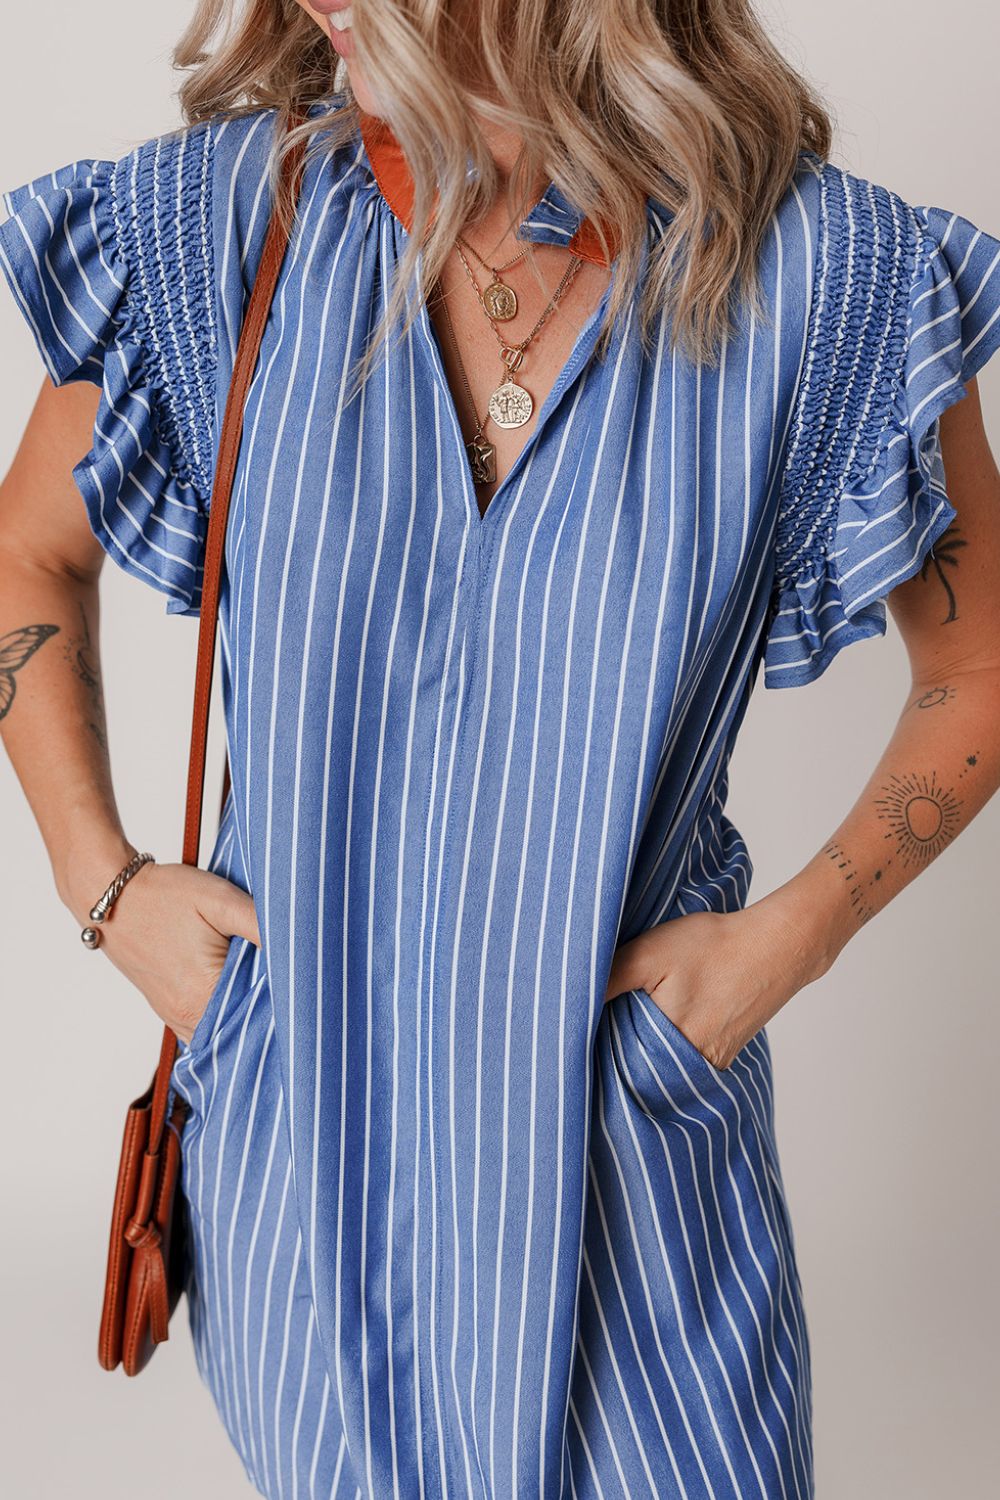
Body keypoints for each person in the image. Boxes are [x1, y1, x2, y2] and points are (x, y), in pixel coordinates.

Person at [1, 1, 998, 1495]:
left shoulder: (827, 280)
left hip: (636, 1193)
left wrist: (787, 944)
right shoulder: (228, 233)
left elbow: (979, 663)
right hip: (309, 1188)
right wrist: (105, 887)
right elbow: (25, 554)